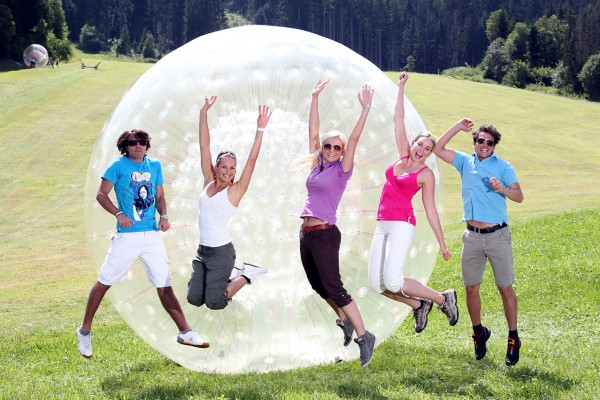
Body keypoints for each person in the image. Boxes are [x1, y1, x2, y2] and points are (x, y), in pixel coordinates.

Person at [76, 129, 208, 359]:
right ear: (125, 146)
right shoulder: (117, 167)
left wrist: (164, 216)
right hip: (127, 237)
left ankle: (185, 332)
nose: (138, 146)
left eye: (142, 142)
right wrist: (118, 214)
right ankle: (84, 330)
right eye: (133, 143)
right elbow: (101, 195)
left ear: (147, 145)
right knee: (104, 282)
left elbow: (159, 197)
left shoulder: (154, 165)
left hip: (152, 236)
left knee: (164, 283)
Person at [367, 72, 459, 334]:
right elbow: (398, 119)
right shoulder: (401, 156)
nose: (422, 149)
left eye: (428, 148)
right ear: (414, 143)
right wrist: (401, 87)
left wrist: (442, 243)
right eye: (420, 144)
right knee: (377, 284)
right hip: (382, 224)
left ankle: (443, 299)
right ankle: (418, 305)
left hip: (402, 224)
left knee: (393, 280)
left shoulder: (425, 175)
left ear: (430, 154)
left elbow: (430, 209)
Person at [298, 79, 376, 367]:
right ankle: (343, 319)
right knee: (318, 285)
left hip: (325, 234)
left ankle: (364, 335)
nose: (331, 149)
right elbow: (313, 132)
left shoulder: (342, 169)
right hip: (306, 234)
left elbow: (353, 139)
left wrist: (365, 109)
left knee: (335, 287)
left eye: (337, 147)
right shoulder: (317, 164)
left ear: (343, 152)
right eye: (328, 146)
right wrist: (315, 96)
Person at [435, 120, 524, 366]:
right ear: (474, 142)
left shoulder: (504, 167)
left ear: (494, 146)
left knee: (504, 288)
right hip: (471, 237)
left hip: (497, 236)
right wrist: (456, 127)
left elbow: (519, 196)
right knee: (471, 288)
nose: (484, 145)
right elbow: (438, 148)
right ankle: (478, 333)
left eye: (489, 142)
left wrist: (503, 189)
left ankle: (513, 338)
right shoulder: (465, 161)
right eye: (480, 140)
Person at [186, 97, 272, 310]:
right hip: (202, 251)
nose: (228, 171)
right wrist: (203, 112)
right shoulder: (208, 181)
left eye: (232, 168)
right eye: (224, 167)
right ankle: (229, 274)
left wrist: (260, 130)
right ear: (216, 167)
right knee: (194, 299)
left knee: (214, 303)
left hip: (221, 253)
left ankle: (246, 274)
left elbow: (251, 161)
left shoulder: (235, 191)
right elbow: (204, 145)